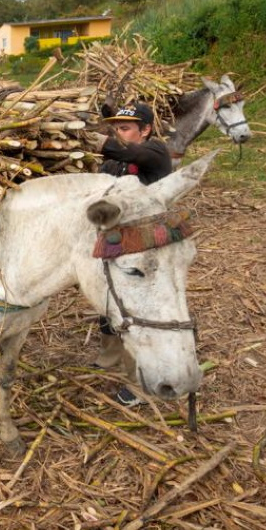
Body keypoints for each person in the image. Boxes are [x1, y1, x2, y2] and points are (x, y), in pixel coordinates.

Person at [91, 103, 173, 406]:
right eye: (116, 127)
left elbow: (128, 153)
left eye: (125, 127)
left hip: (148, 247)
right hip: (118, 243)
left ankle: (140, 383)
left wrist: (100, 142)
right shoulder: (113, 163)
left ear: (146, 129)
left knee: (137, 315)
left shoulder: (155, 152)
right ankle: (109, 355)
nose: (119, 133)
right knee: (107, 303)